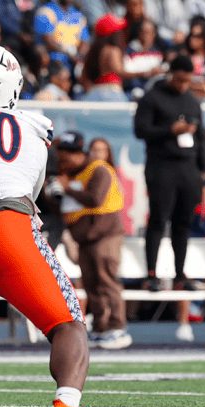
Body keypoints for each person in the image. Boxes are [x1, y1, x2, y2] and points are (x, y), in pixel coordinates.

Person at [0, 46, 110, 407]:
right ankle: (66, 406)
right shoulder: (34, 126)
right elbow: (33, 187)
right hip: (9, 225)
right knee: (68, 324)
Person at [133, 54, 205, 342]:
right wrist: (170, 130)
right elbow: (141, 130)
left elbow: (201, 137)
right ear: (170, 74)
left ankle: (179, 274)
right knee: (158, 219)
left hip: (188, 168)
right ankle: (152, 274)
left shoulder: (191, 100)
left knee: (182, 223)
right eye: (180, 79)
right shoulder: (152, 97)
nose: (183, 85)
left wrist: (202, 170)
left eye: (188, 80)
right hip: (161, 165)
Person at [52, 132, 132, 350]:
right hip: (86, 238)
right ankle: (100, 328)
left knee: (107, 280)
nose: (61, 161)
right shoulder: (71, 173)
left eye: (65, 156)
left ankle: (118, 327)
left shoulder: (99, 169)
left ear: (77, 153)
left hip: (106, 235)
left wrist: (67, 189)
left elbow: (96, 199)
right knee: (91, 285)